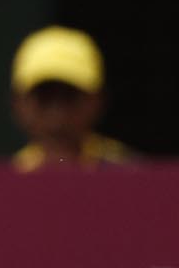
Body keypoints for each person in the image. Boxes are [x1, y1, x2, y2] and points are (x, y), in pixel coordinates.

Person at [10, 26, 132, 171]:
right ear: (19, 102)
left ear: (97, 100)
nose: (56, 113)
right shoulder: (7, 181)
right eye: (44, 96)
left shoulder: (129, 174)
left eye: (70, 96)